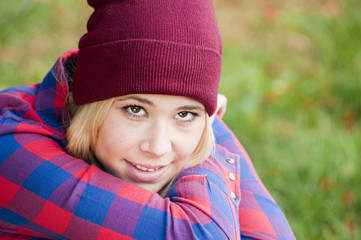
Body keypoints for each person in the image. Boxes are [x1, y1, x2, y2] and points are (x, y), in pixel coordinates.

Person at [0, 0, 296, 239]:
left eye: (185, 114)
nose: (158, 146)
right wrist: (202, 142)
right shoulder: (11, 150)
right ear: (92, 103)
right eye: (135, 109)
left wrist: (203, 128)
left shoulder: (198, 128)